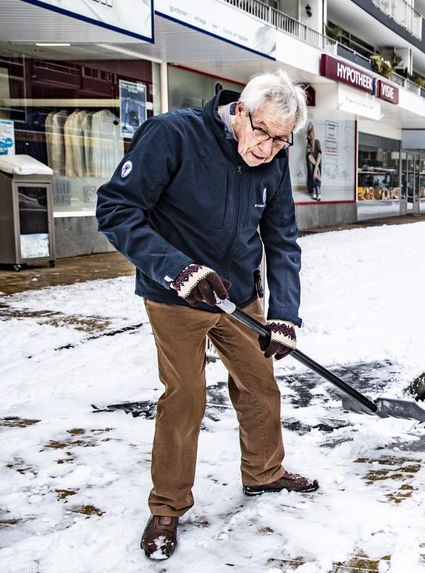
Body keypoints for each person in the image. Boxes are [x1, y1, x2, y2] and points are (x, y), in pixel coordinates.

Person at [96, 70, 318, 561]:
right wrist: (176, 269)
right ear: (239, 111)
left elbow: (282, 239)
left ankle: (264, 472)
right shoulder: (173, 135)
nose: (268, 149)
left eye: (281, 141)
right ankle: (168, 506)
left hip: (238, 295)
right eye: (262, 132)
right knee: (186, 396)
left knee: (260, 386)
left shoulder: (273, 158)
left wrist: (285, 314)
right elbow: (116, 209)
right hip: (175, 292)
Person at [305, 124, 322, 201]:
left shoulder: (317, 142)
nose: (313, 134)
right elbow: (309, 156)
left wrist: (316, 167)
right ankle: (315, 189)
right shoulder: (308, 144)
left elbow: (320, 154)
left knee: (318, 161)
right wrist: (316, 168)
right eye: (311, 133)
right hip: (312, 162)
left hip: (317, 161)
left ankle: (317, 188)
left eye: (313, 132)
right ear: (309, 135)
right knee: (311, 165)